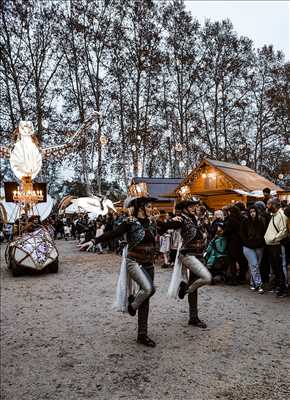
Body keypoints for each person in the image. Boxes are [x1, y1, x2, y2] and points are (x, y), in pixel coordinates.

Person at [94, 195, 158, 347]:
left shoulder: (151, 222)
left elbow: (166, 227)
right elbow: (113, 233)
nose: (151, 209)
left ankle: (142, 334)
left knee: (146, 297)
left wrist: (176, 221)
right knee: (149, 289)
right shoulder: (129, 222)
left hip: (149, 264)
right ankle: (132, 306)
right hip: (134, 262)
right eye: (148, 206)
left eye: (151, 206)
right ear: (140, 208)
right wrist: (94, 240)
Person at [159, 197, 212, 328]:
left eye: (194, 205)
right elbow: (166, 227)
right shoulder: (181, 219)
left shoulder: (195, 218)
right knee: (206, 278)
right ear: (185, 208)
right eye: (191, 206)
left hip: (198, 254)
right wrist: (162, 221)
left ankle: (193, 317)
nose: (194, 207)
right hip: (188, 255)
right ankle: (186, 289)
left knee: (195, 284)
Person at [264, 198, 288, 297]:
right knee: (275, 268)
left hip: (276, 245)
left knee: (279, 267)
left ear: (274, 205)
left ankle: (283, 289)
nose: (267, 206)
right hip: (271, 245)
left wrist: (274, 238)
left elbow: (284, 230)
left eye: (269, 204)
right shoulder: (274, 215)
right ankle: (279, 286)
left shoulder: (281, 215)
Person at [240, 206, 266, 293]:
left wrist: (261, 242)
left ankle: (252, 283)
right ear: (248, 213)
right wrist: (247, 243)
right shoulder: (245, 221)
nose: (252, 213)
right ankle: (259, 285)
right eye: (251, 212)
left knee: (255, 266)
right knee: (254, 265)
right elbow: (242, 234)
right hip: (248, 247)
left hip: (259, 247)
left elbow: (263, 233)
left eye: (254, 211)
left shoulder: (260, 221)